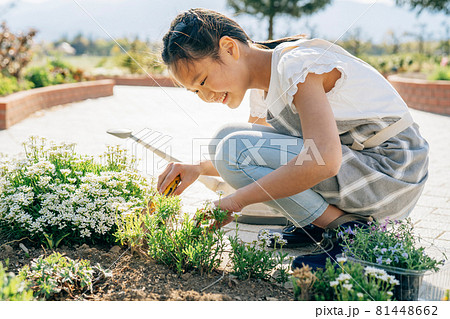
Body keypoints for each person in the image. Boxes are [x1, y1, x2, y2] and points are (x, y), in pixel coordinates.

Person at [157, 8, 429, 269]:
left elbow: (323, 161)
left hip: (392, 172)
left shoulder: (296, 67)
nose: (205, 97)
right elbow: (259, 156)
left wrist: (236, 201)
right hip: (362, 167)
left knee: (231, 147)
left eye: (203, 81)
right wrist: (198, 168)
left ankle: (352, 234)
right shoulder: (266, 83)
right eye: (195, 92)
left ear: (230, 48)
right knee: (224, 142)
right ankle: (326, 224)